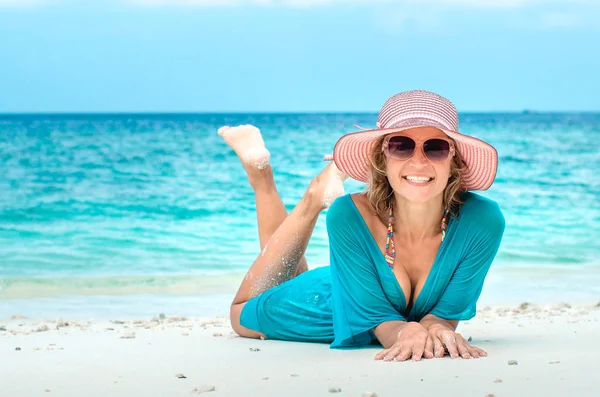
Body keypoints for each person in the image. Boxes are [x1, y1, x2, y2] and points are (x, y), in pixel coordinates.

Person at [218, 90, 505, 362]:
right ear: (383, 157)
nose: (419, 161)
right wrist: (408, 330)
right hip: (327, 302)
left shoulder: (482, 221)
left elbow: (444, 316)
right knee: (240, 314)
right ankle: (297, 191)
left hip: (356, 273)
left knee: (290, 273)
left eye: (436, 148)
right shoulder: (349, 215)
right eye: (401, 145)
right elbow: (381, 325)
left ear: (453, 158)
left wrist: (439, 329)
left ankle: (276, 178)